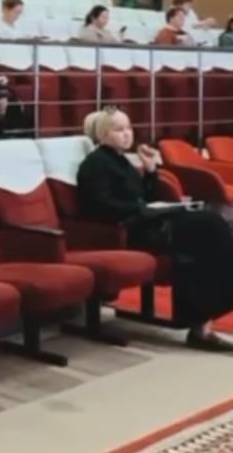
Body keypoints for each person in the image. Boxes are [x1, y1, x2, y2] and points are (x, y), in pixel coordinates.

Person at [77, 108, 233, 351]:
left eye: (129, 128)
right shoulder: (95, 164)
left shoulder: (121, 160)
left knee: (210, 233)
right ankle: (200, 324)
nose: (127, 134)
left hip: (149, 221)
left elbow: (143, 195)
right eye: (119, 130)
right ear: (102, 134)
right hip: (132, 230)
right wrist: (143, 209)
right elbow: (99, 206)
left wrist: (150, 170)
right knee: (210, 226)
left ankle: (201, 323)